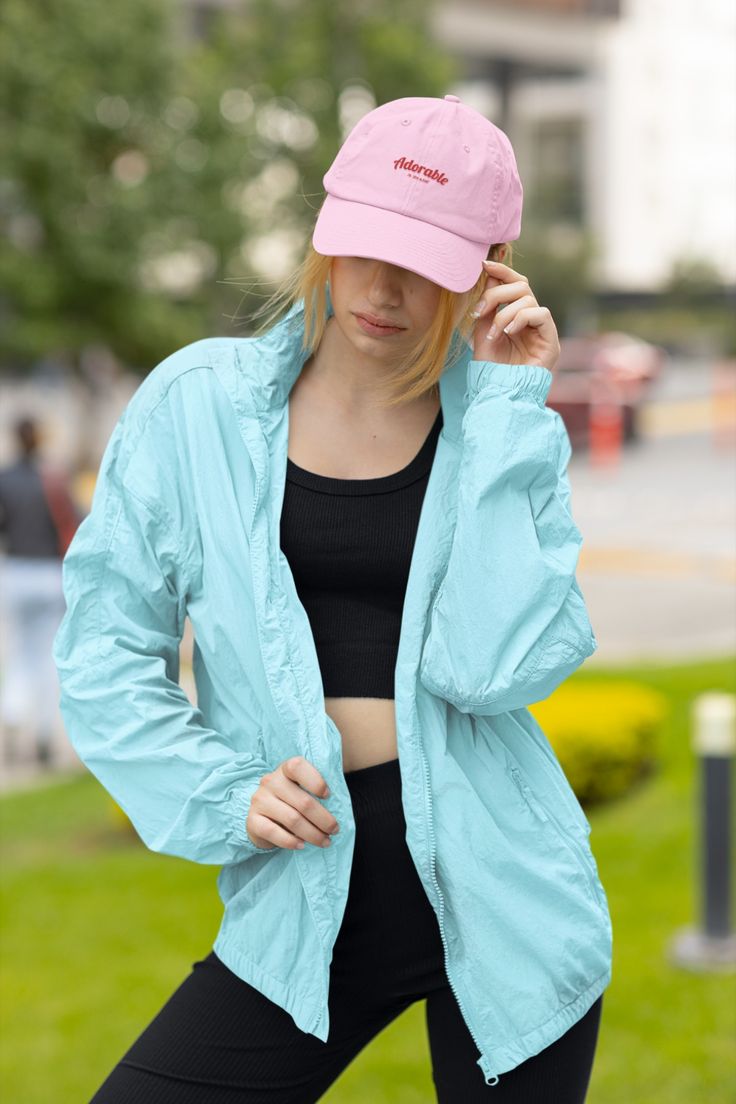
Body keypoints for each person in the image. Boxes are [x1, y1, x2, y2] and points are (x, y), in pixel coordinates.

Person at [53, 95, 612, 1102]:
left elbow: (490, 669)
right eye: (367, 245)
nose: (386, 289)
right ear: (326, 229)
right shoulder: (197, 406)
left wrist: (511, 412)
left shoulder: (495, 417)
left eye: (425, 259)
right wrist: (220, 789)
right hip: (308, 884)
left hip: (506, 891)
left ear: (490, 267)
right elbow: (104, 647)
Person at [0, 415, 81, 767]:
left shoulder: (5, 481)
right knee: (48, 656)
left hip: (15, 571)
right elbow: (75, 522)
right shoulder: (53, 480)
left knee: (20, 652)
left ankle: (14, 714)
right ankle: (45, 731)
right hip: (49, 574)